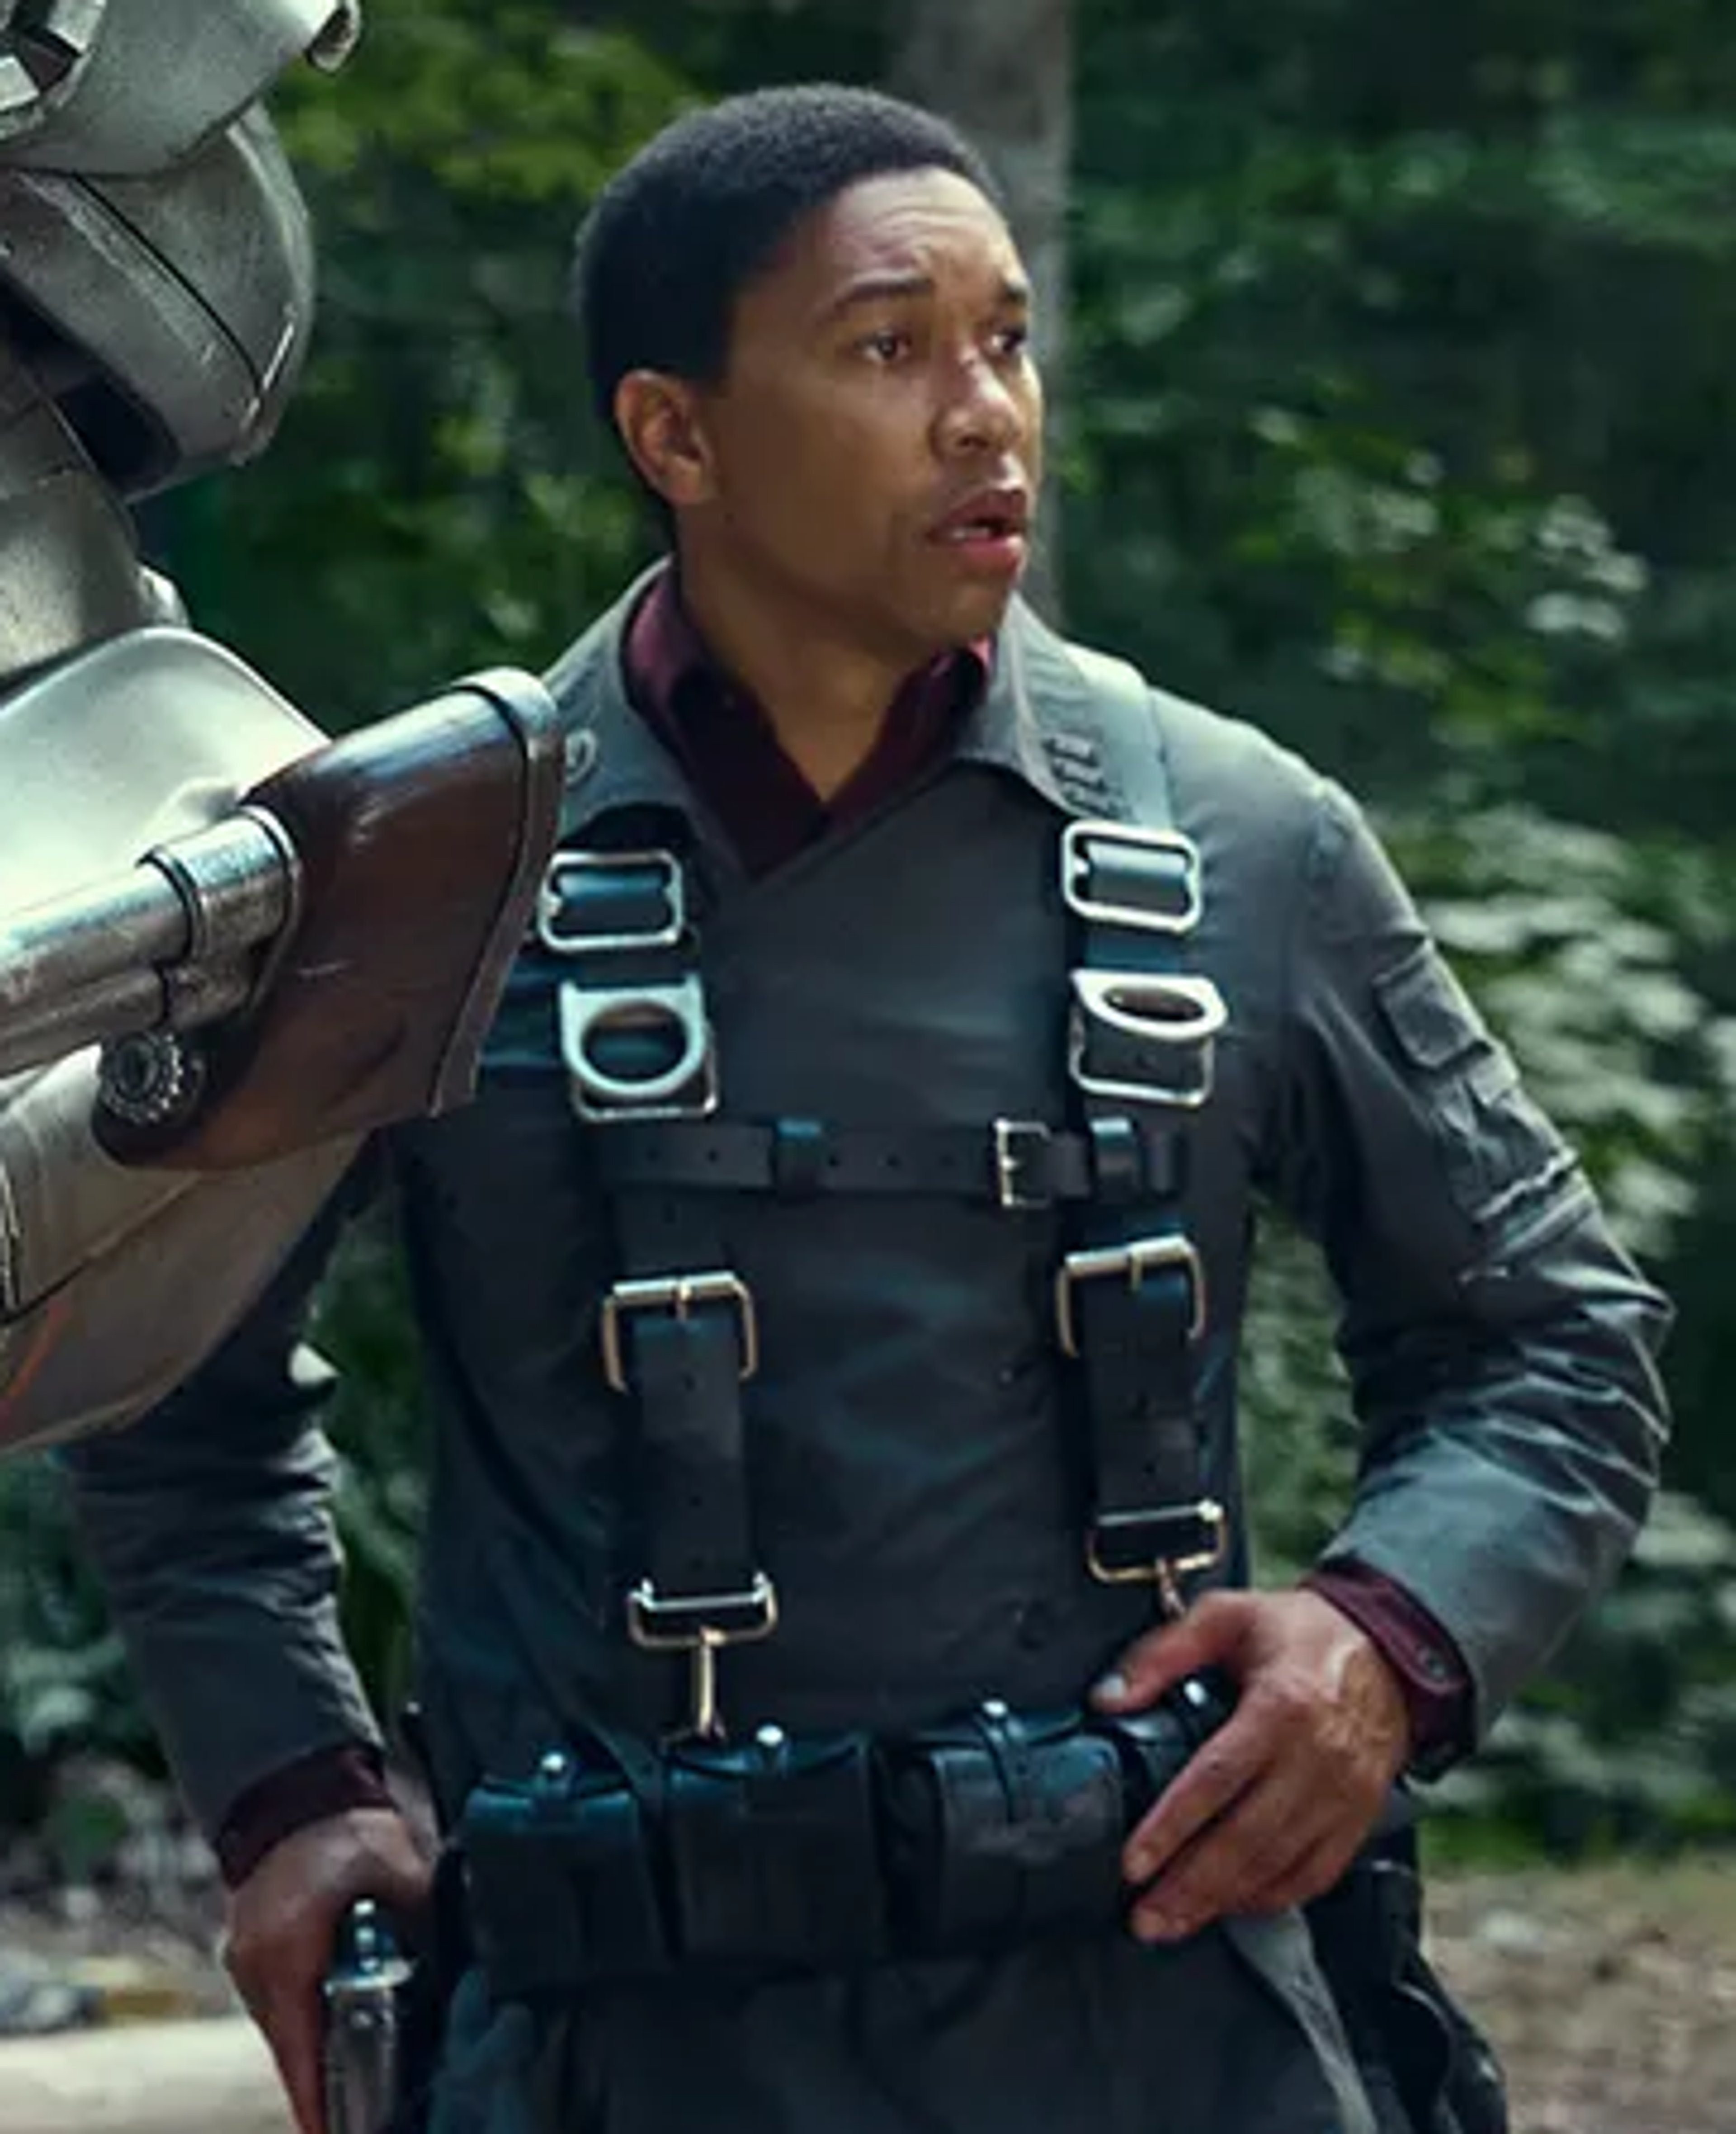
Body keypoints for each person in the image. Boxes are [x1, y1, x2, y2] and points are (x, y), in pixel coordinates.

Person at [64, 82, 1669, 2134]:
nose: (989, 412)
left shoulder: (1247, 845)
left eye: (1007, 339)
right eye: (891, 346)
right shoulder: (416, 874)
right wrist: (290, 1795)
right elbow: (169, 1398)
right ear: (679, 436)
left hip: (1161, 2019)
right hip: (612, 2046)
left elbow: (1551, 1332)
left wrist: (1385, 1639)